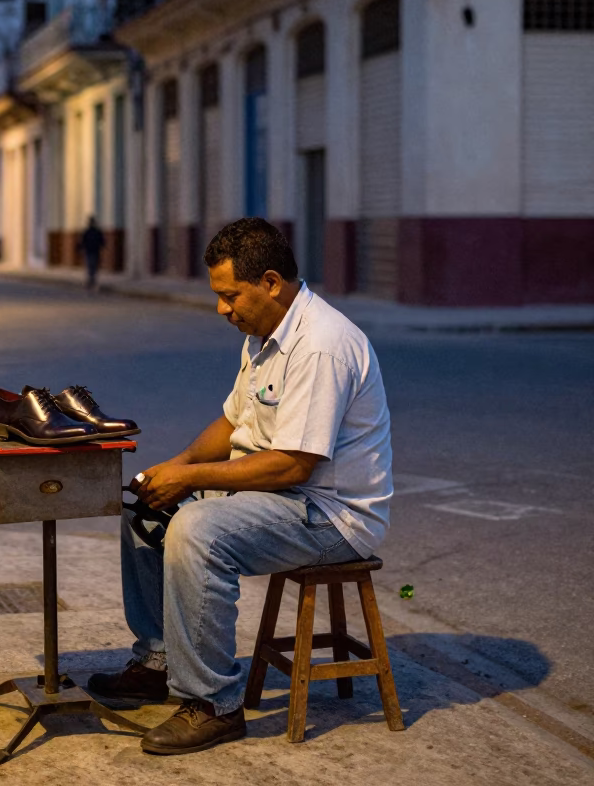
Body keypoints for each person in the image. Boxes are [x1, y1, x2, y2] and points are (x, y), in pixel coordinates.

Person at [88, 217, 393, 756]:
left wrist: (194, 481)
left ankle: (213, 705)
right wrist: (175, 468)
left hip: (329, 516)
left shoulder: (321, 345)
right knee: (147, 510)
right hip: (275, 498)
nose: (221, 309)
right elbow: (234, 423)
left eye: (230, 296)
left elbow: (293, 467)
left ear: (270, 282)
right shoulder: (263, 333)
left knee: (197, 529)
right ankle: (160, 660)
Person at [78, 215, 105, 291]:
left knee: (91, 266)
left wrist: (80, 248)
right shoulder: (94, 231)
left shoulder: (89, 232)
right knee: (92, 266)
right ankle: (91, 281)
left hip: (91, 251)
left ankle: (91, 281)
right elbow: (102, 241)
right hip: (93, 251)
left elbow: (82, 241)